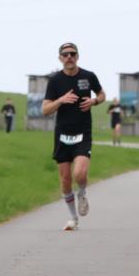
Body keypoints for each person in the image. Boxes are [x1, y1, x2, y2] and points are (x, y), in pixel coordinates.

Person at [41, 42, 105, 231]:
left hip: (83, 132)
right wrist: (60, 100)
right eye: (65, 54)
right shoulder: (55, 81)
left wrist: (94, 101)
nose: (69, 57)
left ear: (77, 56)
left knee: (80, 173)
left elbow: (102, 94)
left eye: (72, 54)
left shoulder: (88, 76)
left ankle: (82, 193)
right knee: (66, 180)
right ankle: (73, 218)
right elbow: (45, 109)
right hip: (62, 133)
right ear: (60, 58)